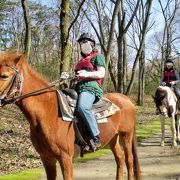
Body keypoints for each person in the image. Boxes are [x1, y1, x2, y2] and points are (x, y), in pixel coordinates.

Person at [74, 32, 106, 150]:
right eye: (81, 43)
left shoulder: (98, 56)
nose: (84, 45)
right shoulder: (80, 61)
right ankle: (79, 138)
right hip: (78, 87)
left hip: (91, 87)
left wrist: (87, 74)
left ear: (92, 44)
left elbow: (101, 73)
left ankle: (95, 135)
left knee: (82, 107)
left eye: (86, 42)